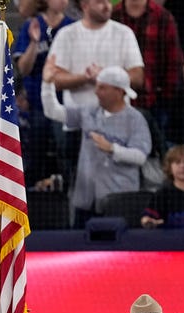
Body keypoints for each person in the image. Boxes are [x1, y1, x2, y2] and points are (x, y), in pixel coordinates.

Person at [43, 0, 144, 199]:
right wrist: (85, 78)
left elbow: (138, 77)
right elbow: (55, 78)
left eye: (108, 1)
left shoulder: (124, 33)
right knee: (79, 192)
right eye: (99, 1)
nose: (107, 5)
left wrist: (106, 76)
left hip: (118, 125)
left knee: (119, 189)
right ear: (85, 5)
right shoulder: (67, 35)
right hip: (78, 125)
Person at [41, 67, 152, 229]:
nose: (96, 92)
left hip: (119, 200)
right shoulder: (88, 112)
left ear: (119, 91)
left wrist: (112, 148)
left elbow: (140, 156)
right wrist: (47, 84)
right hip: (86, 199)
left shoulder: (135, 119)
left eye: (102, 88)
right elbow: (53, 112)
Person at [13, 0, 75, 187]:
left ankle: (67, 192)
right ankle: (32, 193)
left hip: (65, 102)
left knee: (65, 151)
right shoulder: (32, 25)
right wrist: (34, 42)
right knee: (35, 152)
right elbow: (23, 69)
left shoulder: (72, 26)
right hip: (37, 102)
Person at [110, 0, 184, 140]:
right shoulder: (112, 16)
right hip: (116, 104)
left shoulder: (163, 18)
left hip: (155, 104)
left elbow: (174, 64)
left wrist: (164, 99)